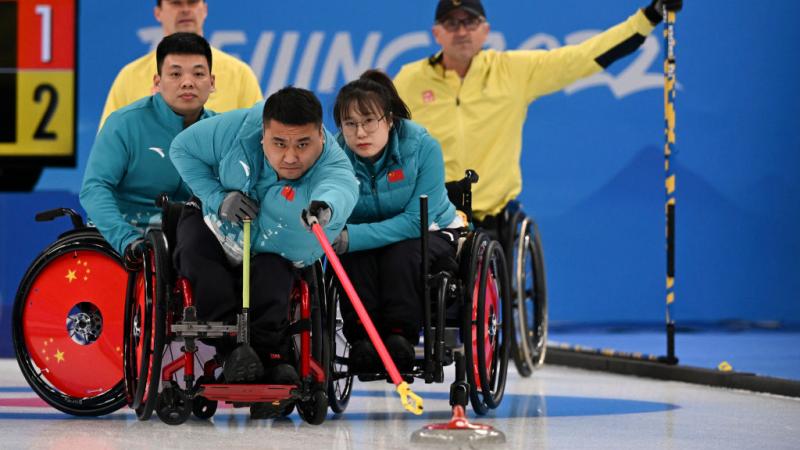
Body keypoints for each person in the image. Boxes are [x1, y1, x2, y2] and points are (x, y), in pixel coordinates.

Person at [393, 0, 684, 232]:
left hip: (492, 216)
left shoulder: (512, 71)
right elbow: (379, 130)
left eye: (470, 21)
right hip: (432, 215)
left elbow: (582, 58)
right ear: (436, 33)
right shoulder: (410, 80)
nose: (461, 30)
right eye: (451, 22)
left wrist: (648, 18)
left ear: (485, 30)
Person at [169, 87, 358, 418]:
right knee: (201, 263)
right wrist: (217, 197)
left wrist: (325, 208)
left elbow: (341, 187)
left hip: (271, 244)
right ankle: (233, 354)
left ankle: (269, 356)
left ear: (321, 137)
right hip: (213, 224)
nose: (290, 157)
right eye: (279, 144)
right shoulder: (235, 129)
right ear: (263, 134)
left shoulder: (332, 161)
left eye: (303, 144)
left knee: (274, 275)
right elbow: (181, 148)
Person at [331, 70, 462, 374]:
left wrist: (352, 236)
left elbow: (417, 221)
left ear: (389, 120)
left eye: (369, 122)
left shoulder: (422, 146)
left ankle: (400, 338)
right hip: (364, 236)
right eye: (350, 124)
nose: (360, 133)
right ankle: (363, 341)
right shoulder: (333, 156)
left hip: (430, 231)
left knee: (400, 255)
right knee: (353, 258)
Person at [80, 32, 216, 263]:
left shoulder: (221, 131)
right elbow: (94, 189)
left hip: (189, 239)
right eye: (175, 74)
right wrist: (126, 239)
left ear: (212, 82)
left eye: (198, 73)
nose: (187, 82)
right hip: (125, 240)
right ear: (157, 82)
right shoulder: (123, 124)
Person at [99, 0, 261, 127]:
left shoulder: (240, 74)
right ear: (158, 12)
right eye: (176, 2)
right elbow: (108, 146)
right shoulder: (129, 76)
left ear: (204, 10)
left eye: (192, 2)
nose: (185, 9)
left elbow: (257, 142)